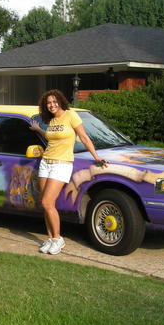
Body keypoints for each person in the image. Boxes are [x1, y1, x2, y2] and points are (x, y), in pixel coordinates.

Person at [30, 89, 107, 255]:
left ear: (60, 101)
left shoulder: (71, 115)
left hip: (61, 164)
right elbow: (51, 138)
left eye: (54, 101)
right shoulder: (51, 121)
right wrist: (38, 130)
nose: (51, 105)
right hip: (46, 163)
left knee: (47, 203)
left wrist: (97, 157)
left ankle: (58, 239)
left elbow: (84, 137)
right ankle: (50, 238)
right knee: (45, 204)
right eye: (48, 103)